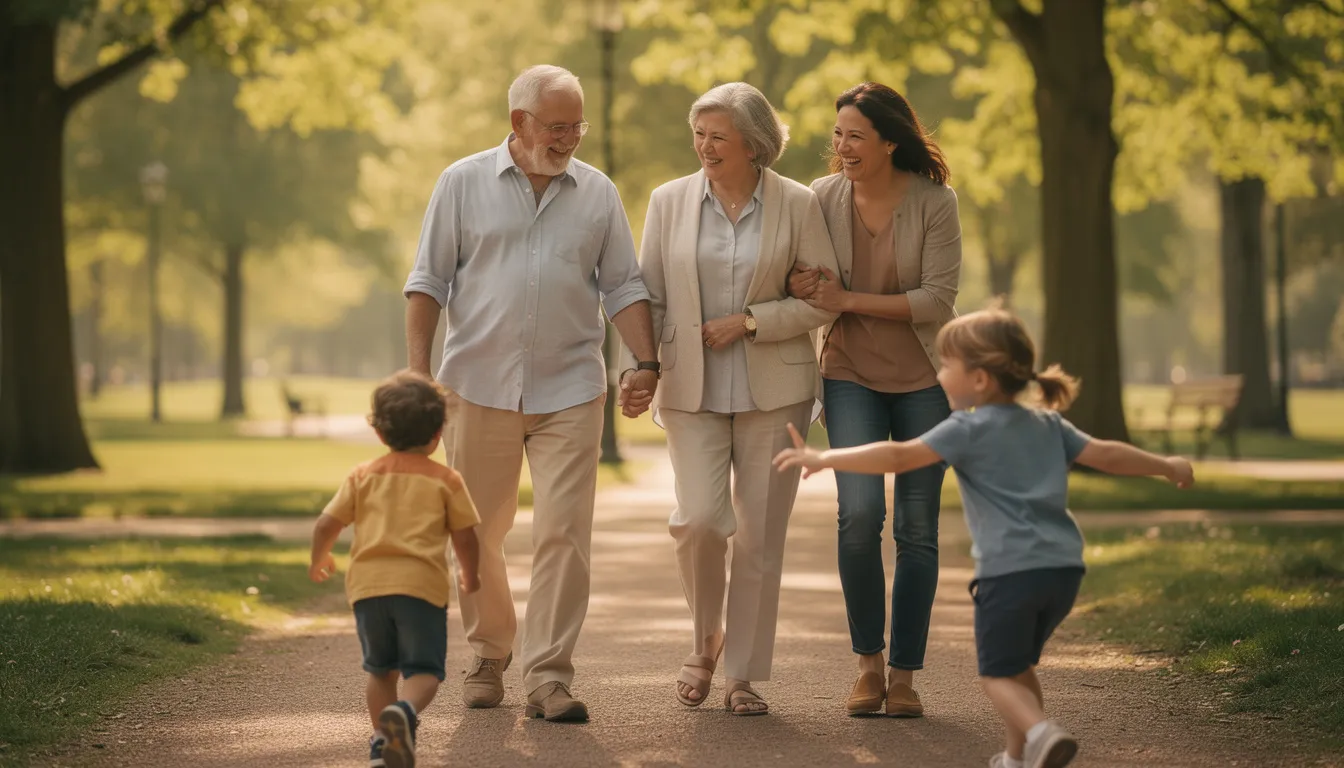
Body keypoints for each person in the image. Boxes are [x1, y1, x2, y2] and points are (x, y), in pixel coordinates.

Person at [774, 307, 1195, 768]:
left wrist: (828, 458)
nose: (938, 372)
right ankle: (1016, 757)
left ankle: (1040, 733)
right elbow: (1107, 456)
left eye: (947, 364)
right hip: (1063, 571)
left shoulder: (966, 429)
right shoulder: (1048, 424)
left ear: (979, 380)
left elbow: (897, 457)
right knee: (1018, 667)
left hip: (1009, 575)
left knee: (996, 675)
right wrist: (1165, 465)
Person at [403, 64, 657, 723]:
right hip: (478, 385)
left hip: (572, 387)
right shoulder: (461, 183)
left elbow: (624, 286)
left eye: (578, 124)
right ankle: (489, 654)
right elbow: (427, 282)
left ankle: (549, 675)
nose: (570, 136)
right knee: (478, 532)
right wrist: (417, 375)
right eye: (557, 125)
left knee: (565, 532)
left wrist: (645, 362)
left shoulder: (597, 193)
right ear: (519, 123)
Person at [621, 82, 839, 716]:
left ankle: (740, 674)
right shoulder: (668, 201)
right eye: (699, 134)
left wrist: (750, 321)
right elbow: (651, 295)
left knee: (760, 537)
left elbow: (822, 297)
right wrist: (643, 368)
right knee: (699, 522)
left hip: (778, 390)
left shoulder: (797, 203)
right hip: (692, 388)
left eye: (719, 136)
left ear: (754, 144)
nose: (705, 146)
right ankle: (705, 638)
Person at [787, 81, 962, 716]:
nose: (842, 147)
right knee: (859, 517)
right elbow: (799, 270)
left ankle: (906, 676)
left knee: (917, 528)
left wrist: (847, 299)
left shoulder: (935, 203)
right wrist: (805, 282)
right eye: (837, 135)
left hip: (924, 382)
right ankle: (868, 666)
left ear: (891, 140)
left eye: (855, 135)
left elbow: (937, 301)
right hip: (849, 373)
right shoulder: (823, 198)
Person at [309, 370, 482, 768]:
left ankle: (381, 746)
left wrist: (319, 558)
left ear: (379, 432)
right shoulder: (446, 480)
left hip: (368, 590)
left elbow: (325, 525)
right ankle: (404, 713)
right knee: (424, 671)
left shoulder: (362, 476)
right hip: (420, 589)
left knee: (380, 671)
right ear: (438, 431)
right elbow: (467, 536)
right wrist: (470, 575)